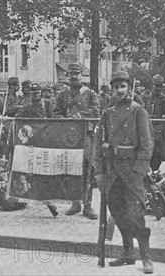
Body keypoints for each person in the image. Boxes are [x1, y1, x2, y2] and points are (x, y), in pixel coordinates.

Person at [94, 71, 154, 274]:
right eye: (116, 86)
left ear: (129, 88)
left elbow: (147, 145)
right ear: (112, 89)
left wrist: (139, 172)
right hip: (113, 172)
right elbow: (98, 145)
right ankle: (128, 252)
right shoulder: (107, 113)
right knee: (118, 212)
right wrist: (100, 172)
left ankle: (146, 257)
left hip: (132, 172)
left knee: (136, 215)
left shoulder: (139, 111)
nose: (119, 90)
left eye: (122, 86)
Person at [53, 63, 100, 219]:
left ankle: (87, 205)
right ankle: (75, 203)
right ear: (68, 75)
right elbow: (56, 113)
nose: (74, 77)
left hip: (86, 135)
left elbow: (95, 111)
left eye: (77, 74)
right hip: (68, 137)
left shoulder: (90, 94)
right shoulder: (62, 95)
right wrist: (63, 120)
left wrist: (77, 117)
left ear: (82, 75)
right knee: (71, 169)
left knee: (88, 169)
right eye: (71, 74)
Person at [15, 83, 59, 216]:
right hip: (34, 142)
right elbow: (18, 117)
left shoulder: (48, 104)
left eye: (38, 92)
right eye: (33, 93)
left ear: (41, 92)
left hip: (47, 141)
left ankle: (49, 197)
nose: (36, 95)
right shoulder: (28, 106)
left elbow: (56, 118)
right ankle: (46, 200)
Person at [145, 75, 165, 171]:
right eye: (156, 86)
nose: (158, 88)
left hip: (159, 129)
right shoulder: (146, 97)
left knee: (157, 153)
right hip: (147, 128)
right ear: (152, 85)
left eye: (160, 86)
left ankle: (154, 172)